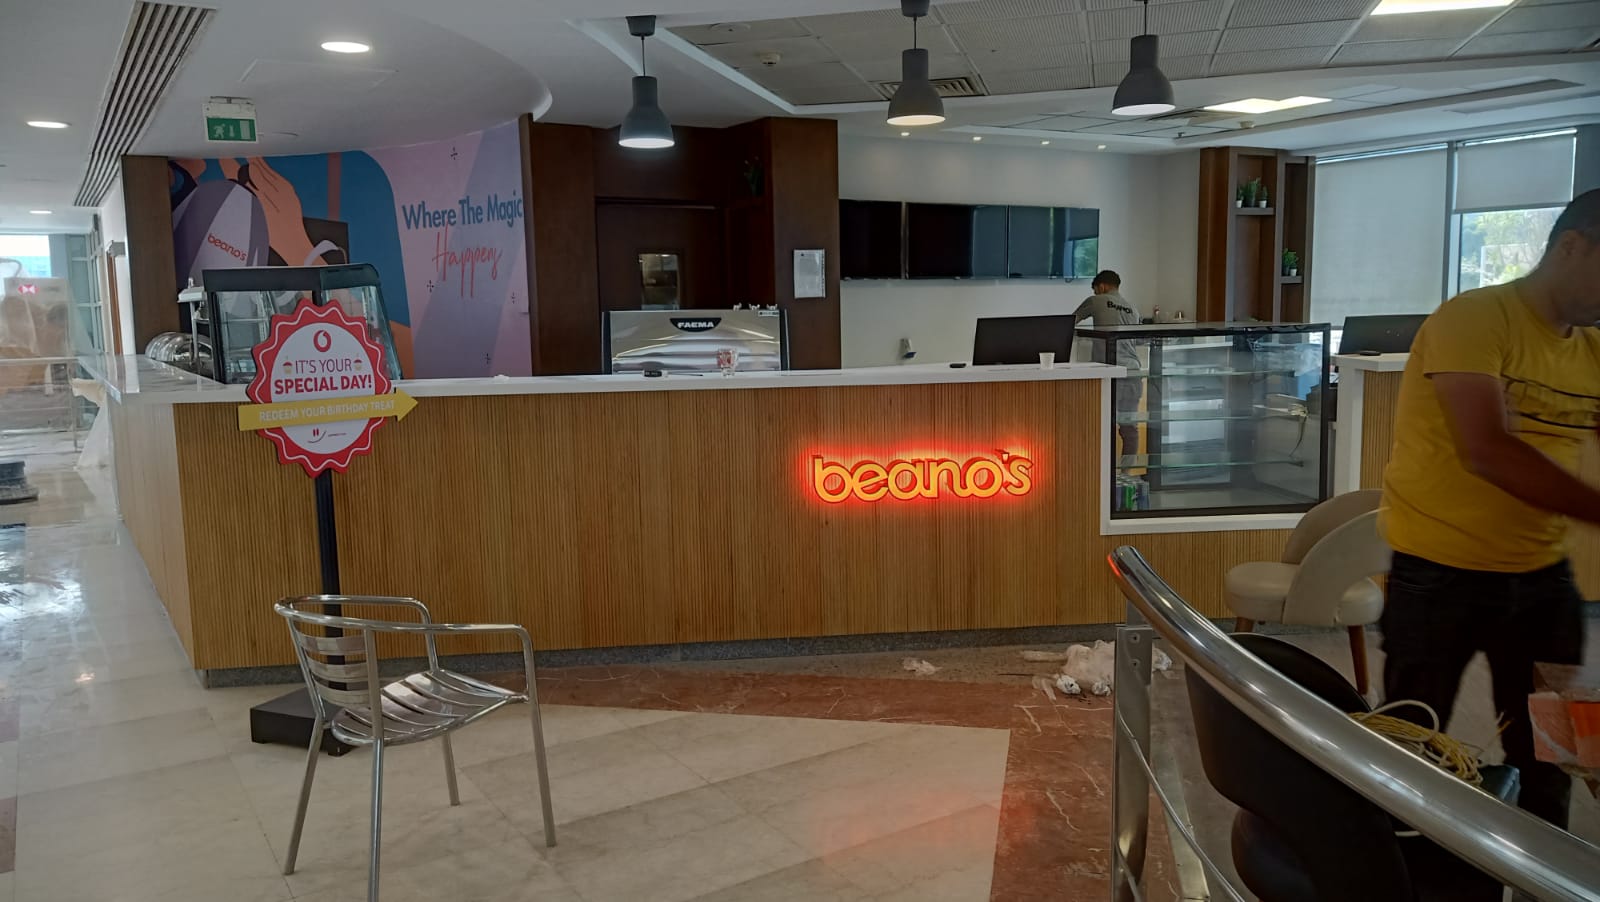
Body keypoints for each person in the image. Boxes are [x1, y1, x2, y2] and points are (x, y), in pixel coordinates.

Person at [1379, 188, 1600, 829]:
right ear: (1572, 246)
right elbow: (1487, 449)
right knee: (1411, 740)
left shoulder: (1592, 349)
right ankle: (1395, 860)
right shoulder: (1476, 318)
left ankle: (1536, 869)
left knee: (1549, 756)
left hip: (1543, 580)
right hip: (1438, 574)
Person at [1074, 270, 1143, 458]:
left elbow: (1069, 322)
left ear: (1102, 286)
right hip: (1133, 372)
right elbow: (1139, 340)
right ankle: (1126, 473)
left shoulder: (1096, 300)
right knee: (1129, 428)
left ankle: (1103, 472)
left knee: (1102, 425)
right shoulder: (1133, 308)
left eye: (1096, 289)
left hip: (1109, 373)